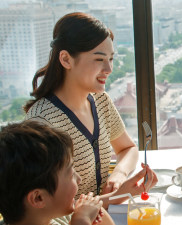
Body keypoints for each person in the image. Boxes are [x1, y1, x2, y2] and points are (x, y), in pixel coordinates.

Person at [24, 12, 156, 205]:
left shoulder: (100, 101)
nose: (109, 69)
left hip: (103, 224)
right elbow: (47, 212)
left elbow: (128, 148)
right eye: (99, 59)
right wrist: (113, 198)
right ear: (66, 59)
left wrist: (119, 173)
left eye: (111, 59)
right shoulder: (41, 124)